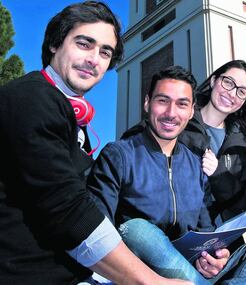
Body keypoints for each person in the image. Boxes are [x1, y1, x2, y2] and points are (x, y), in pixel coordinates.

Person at [0, 2, 191, 285]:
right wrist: (150, 281)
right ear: (55, 44)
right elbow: (68, 211)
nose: (94, 59)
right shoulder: (32, 98)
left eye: (105, 52)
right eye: (84, 43)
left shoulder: (70, 114)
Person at [87, 65, 246, 285]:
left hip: (192, 265)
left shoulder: (195, 163)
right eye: (162, 101)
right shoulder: (120, 154)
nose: (171, 113)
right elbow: (97, 228)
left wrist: (216, 257)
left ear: (190, 111)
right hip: (144, 266)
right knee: (136, 229)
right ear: (147, 103)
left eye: (181, 104)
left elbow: (207, 231)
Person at [179, 60, 246, 246]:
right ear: (214, 80)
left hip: (222, 242)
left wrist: (218, 174)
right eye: (228, 82)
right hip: (177, 234)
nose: (232, 93)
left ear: (245, 102)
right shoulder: (179, 123)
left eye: (242, 91)